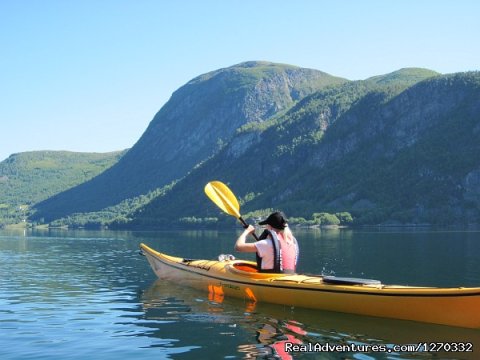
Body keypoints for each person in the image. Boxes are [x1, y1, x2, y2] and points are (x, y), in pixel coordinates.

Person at [235, 211, 299, 273]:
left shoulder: (267, 244)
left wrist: (247, 231)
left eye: (267, 225)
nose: (265, 227)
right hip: (288, 276)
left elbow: (238, 246)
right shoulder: (291, 242)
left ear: (270, 227)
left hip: (272, 279)